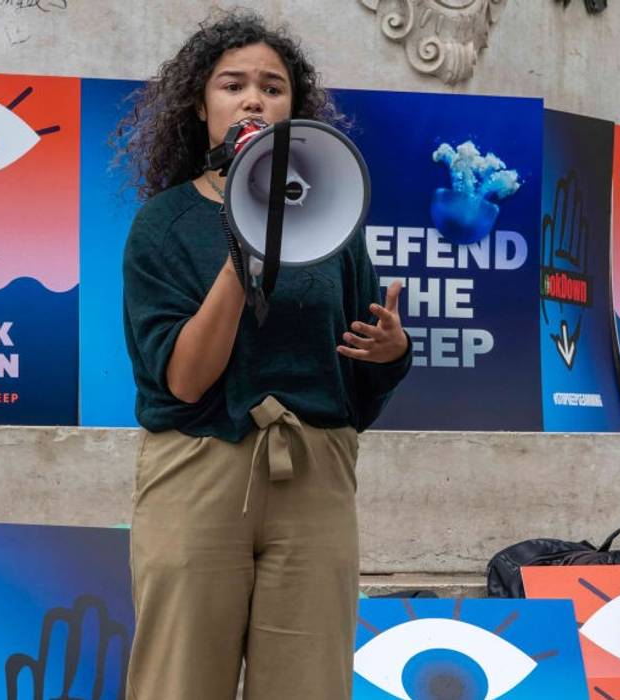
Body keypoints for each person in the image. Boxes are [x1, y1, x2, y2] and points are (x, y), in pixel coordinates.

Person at [114, 11, 411, 700]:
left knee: (309, 681)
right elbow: (184, 378)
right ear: (200, 104)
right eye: (233, 85)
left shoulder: (333, 217)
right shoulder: (163, 223)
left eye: (273, 88)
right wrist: (241, 251)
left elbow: (354, 369)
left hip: (314, 473)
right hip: (199, 470)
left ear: (294, 110)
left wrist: (391, 352)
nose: (254, 99)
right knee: (180, 678)